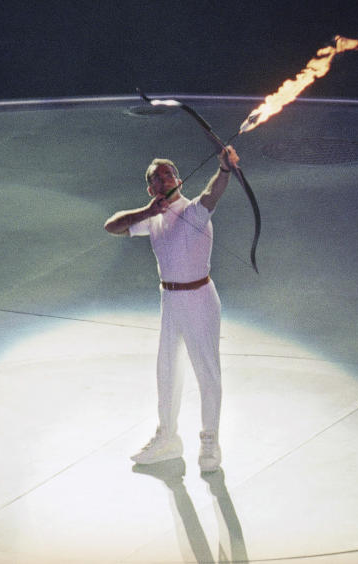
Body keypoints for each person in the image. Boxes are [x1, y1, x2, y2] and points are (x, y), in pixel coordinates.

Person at [104, 145, 240, 472]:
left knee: (207, 372)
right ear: (151, 189)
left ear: (178, 179)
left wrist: (224, 170)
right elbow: (112, 225)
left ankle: (210, 441)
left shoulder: (194, 211)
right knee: (167, 373)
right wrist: (148, 212)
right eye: (156, 178)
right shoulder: (153, 219)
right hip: (170, 301)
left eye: (168, 173)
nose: (164, 179)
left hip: (200, 300)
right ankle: (167, 438)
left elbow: (211, 194)